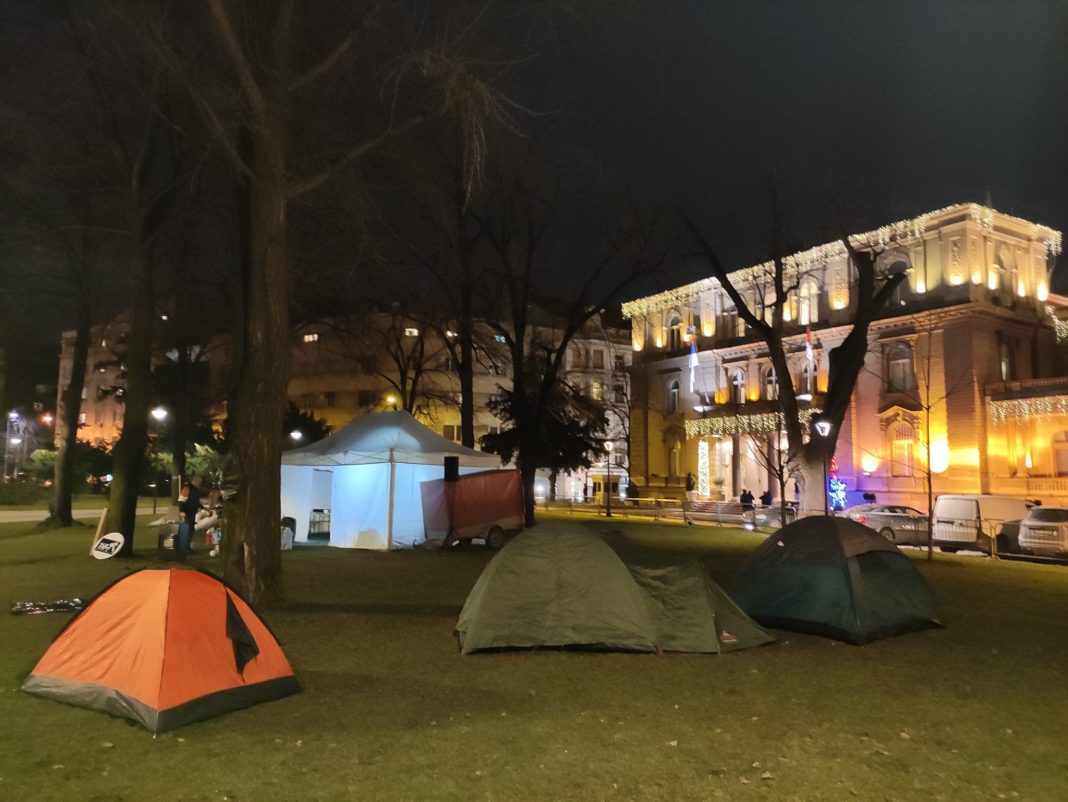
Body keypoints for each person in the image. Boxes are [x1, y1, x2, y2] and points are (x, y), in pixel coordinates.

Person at [176, 475, 204, 562]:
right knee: (187, 530)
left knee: (191, 530)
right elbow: (181, 500)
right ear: (195, 481)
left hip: (192, 513)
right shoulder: (187, 488)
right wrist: (181, 511)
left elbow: (196, 501)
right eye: (199, 481)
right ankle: (183, 549)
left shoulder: (195, 490)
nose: (200, 483)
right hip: (187, 513)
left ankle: (187, 547)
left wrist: (203, 507)